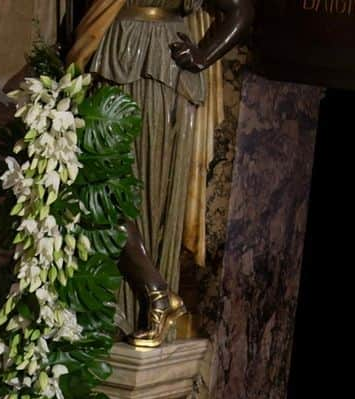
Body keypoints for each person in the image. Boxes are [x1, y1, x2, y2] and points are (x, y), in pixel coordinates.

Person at [69, 0, 252, 346]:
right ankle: (145, 297)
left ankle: (149, 300)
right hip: (106, 54)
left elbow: (240, 11)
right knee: (96, 184)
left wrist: (203, 55)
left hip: (155, 67)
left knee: (127, 189)